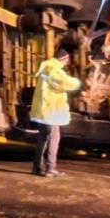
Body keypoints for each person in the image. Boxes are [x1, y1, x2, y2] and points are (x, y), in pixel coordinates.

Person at [30, 46, 81, 177]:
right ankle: (51, 168)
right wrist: (78, 82)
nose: (67, 62)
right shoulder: (54, 70)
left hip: (43, 111)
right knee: (54, 139)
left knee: (42, 139)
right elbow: (64, 83)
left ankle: (37, 167)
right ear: (63, 59)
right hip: (51, 111)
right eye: (67, 60)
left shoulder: (46, 68)